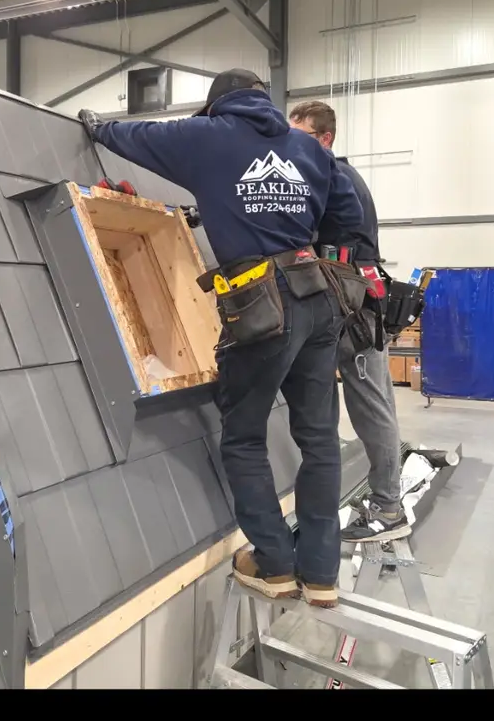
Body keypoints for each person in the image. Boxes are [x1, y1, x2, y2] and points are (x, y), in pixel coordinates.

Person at [79, 69, 364, 607]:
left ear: (217, 107)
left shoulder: (204, 135)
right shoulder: (309, 148)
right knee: (320, 439)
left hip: (262, 304)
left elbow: (133, 136)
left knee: (244, 434)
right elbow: (350, 214)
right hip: (318, 296)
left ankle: (275, 564)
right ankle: (322, 574)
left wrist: (96, 127)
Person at [289, 99, 408, 542]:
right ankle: (383, 494)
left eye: (299, 138)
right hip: (356, 296)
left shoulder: (332, 176)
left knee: (369, 404)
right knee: (374, 401)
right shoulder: (337, 175)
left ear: (324, 139)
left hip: (354, 302)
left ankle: (389, 509)